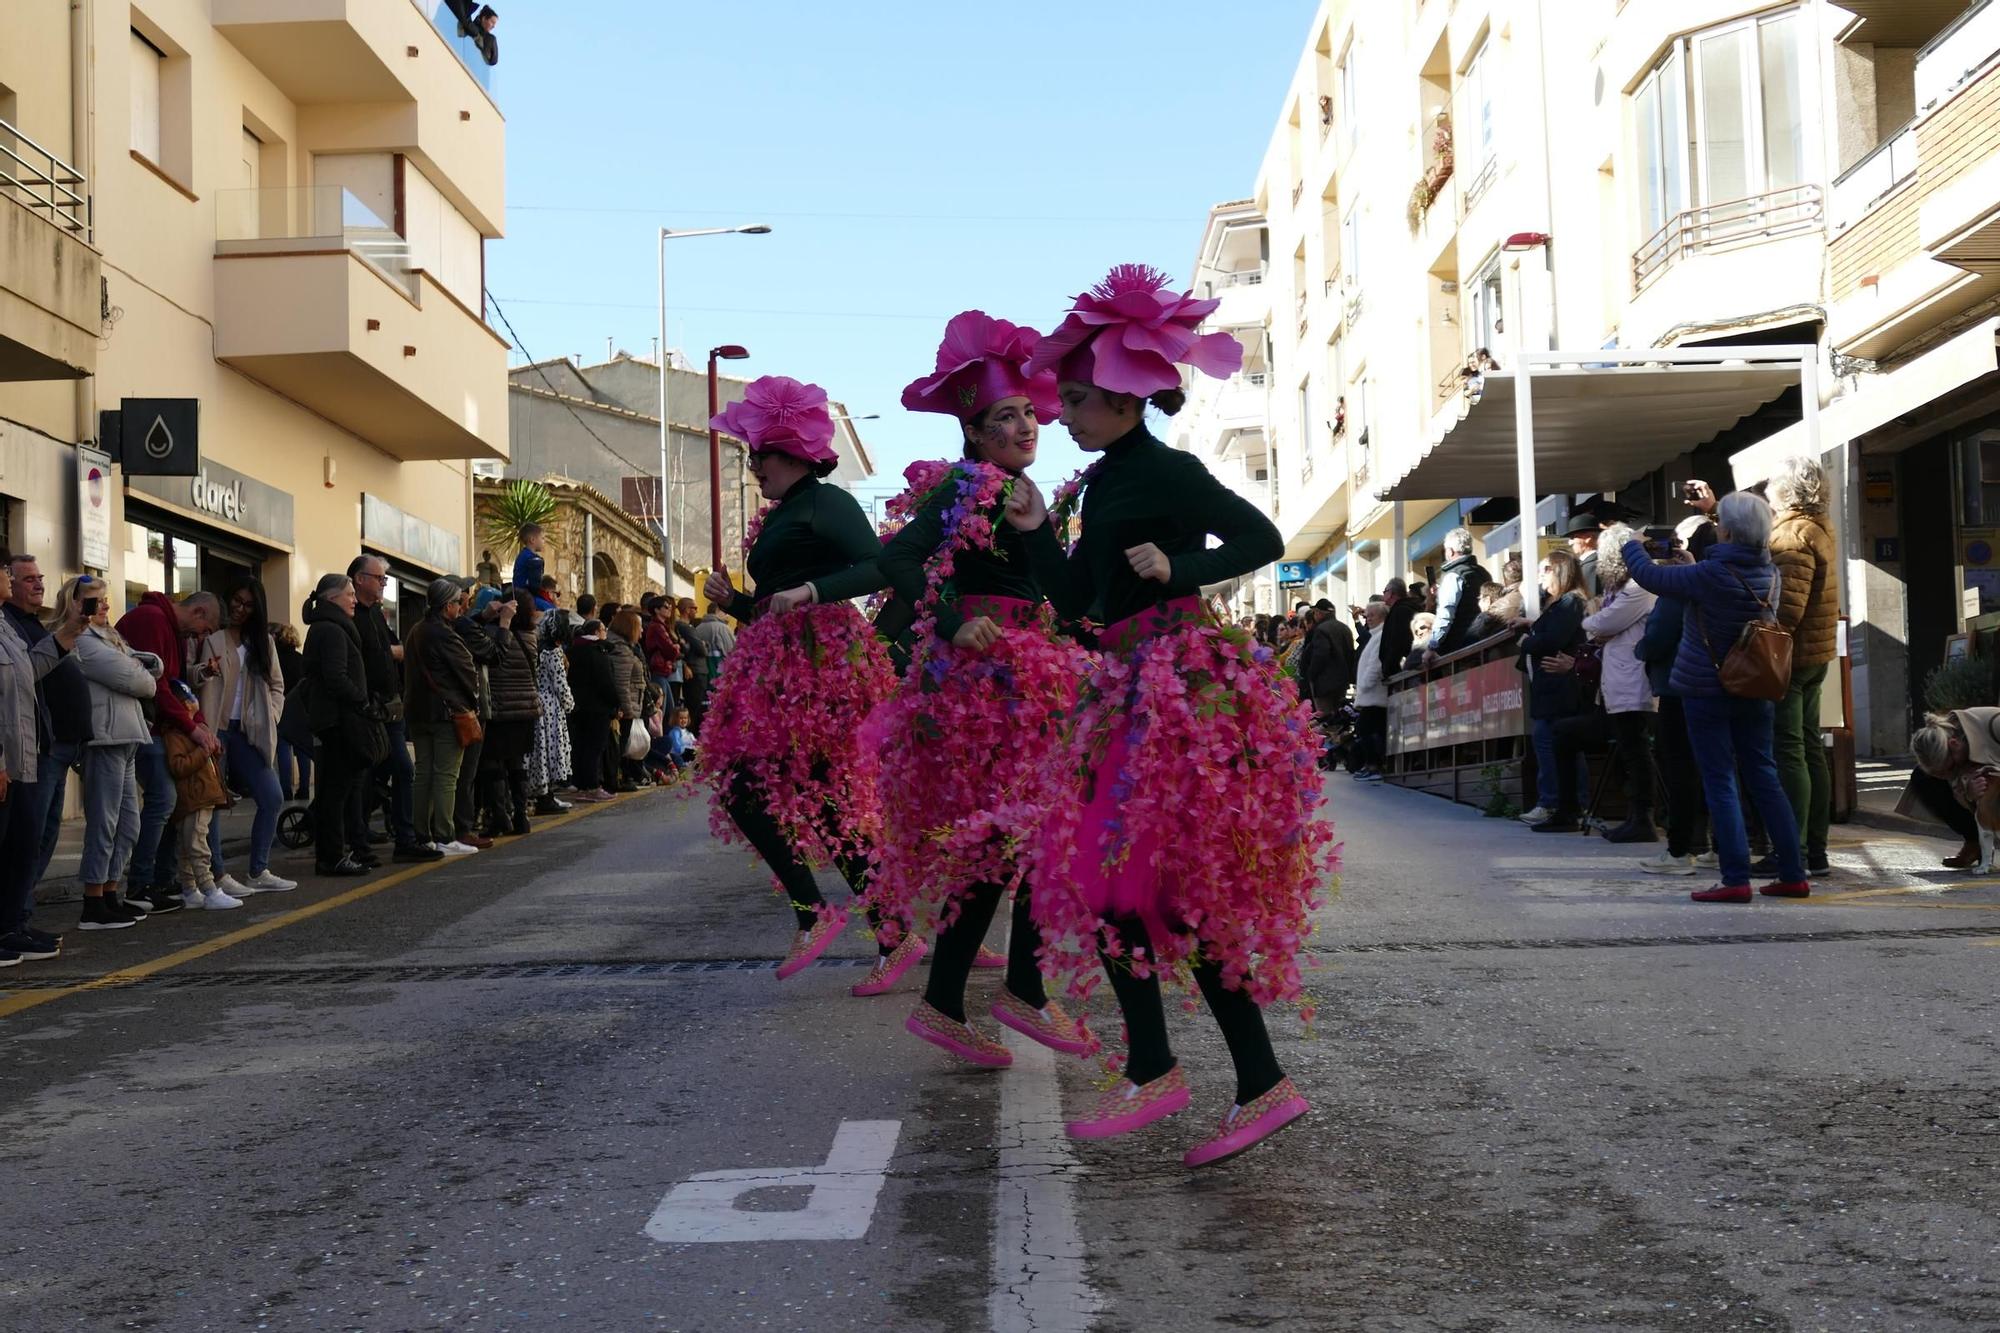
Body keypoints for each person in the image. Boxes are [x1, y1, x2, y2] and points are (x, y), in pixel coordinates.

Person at [1010, 263, 1333, 1166]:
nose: (1060, 416)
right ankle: (1174, 1069)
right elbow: (1081, 603)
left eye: (1075, 399)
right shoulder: (1105, 480)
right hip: (1121, 687)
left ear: (1123, 397)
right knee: (1114, 886)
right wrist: (1038, 530)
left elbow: (1264, 539)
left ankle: (1236, 1079)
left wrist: (1177, 569)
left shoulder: (1166, 469)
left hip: (1176, 690)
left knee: (1154, 889)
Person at [872, 308, 1090, 1061]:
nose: (1026, 425)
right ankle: (1022, 992)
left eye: (1030, 412)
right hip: (991, 684)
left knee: (1006, 840)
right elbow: (896, 561)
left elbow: (1056, 587)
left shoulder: (1020, 488)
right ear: (973, 432)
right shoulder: (970, 484)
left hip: (1029, 674)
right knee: (1035, 829)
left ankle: (944, 1001)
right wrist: (953, 616)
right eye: (1007, 416)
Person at [697, 374, 898, 979]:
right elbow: (774, 601)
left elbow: (879, 566)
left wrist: (814, 590)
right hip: (780, 666)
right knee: (815, 800)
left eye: (758, 456)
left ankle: (818, 914)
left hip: (822, 665)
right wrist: (736, 603)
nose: (753, 467)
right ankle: (890, 933)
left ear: (788, 454)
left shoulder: (826, 502)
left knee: (769, 789)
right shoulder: (786, 511)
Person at [1621, 493, 1809, 902]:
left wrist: (1631, 545)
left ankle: (1735, 878)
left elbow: (1652, 578)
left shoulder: (1709, 574)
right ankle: (1794, 872)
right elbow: (1718, 590)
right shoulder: (1770, 573)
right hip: (1756, 686)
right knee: (1764, 775)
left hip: (1707, 689)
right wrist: (1694, 569)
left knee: (1720, 779)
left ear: (1727, 529)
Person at [1532, 527, 1658, 838]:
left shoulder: (1639, 587)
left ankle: (1642, 819)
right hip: (1614, 688)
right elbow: (1598, 625)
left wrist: (1598, 622)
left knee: (1635, 751)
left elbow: (1597, 622)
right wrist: (1599, 624)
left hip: (1633, 687)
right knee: (1565, 735)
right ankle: (1567, 811)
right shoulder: (1624, 589)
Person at [0, 566, 95, 958]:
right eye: (5, 570)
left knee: (22, 845)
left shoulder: (4, 627)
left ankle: (9, 928)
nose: (8, 574)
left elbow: (30, 671)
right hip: (6, 758)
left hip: (25, 754)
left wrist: (71, 629)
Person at [116, 589, 222, 914]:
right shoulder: (153, 621)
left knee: (170, 801)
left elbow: (177, 686)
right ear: (200, 612)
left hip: (156, 725)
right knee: (164, 799)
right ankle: (141, 883)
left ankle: (160, 880)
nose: (199, 637)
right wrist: (194, 728)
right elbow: (159, 686)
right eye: (203, 630)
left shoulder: (167, 627)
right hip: (144, 726)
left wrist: (199, 723)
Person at [192, 578, 295, 897]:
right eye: (236, 601)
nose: (239, 608)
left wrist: (272, 717)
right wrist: (204, 672)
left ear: (257, 609)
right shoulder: (214, 639)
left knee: (272, 795)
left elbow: (278, 685)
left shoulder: (263, 643)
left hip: (250, 732)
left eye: (247, 604)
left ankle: (258, 870)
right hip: (215, 730)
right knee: (214, 802)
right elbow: (192, 676)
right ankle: (218, 874)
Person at [70, 577, 161, 931]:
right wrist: (141, 671)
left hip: (126, 736)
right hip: (105, 738)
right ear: (77, 605)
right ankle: (93, 901)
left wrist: (141, 670)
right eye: (95, 601)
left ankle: (110, 893)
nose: (105, 605)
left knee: (128, 823)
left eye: (105, 599)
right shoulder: (83, 641)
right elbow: (142, 680)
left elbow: (152, 668)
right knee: (105, 822)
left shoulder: (110, 638)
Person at [1765, 455, 1841, 879]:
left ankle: (1793, 849)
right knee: (1810, 748)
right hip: (1816, 653)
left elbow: (1787, 610)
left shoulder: (1792, 534)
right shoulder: (1820, 527)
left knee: (1790, 750)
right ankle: (1816, 851)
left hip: (1791, 658)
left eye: (1772, 482)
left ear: (1786, 491)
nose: (1766, 489)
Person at [1634, 532, 1715, 875]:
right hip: (1717, 686)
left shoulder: (1677, 591)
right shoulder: (1724, 579)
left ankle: (1683, 848)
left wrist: (1634, 546)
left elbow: (1658, 638)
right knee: (1716, 769)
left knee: (1681, 767)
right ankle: (1719, 845)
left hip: (1677, 685)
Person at [349, 556, 434, 863]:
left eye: (385, 579)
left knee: (393, 770)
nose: (384, 584)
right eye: (380, 578)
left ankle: (401, 837)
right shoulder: (353, 614)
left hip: (390, 708)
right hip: (370, 709)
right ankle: (373, 839)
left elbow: (390, 649)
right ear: (360, 579)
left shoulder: (375, 614)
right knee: (392, 770)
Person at [299, 574, 375, 876]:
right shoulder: (330, 630)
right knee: (335, 792)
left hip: (337, 718)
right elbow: (335, 677)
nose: (354, 600)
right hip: (338, 720)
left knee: (339, 790)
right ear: (332, 599)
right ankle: (331, 856)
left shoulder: (330, 627)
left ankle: (335, 854)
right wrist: (362, 700)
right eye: (349, 595)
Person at [1513, 548, 1591, 826]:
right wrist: (1532, 624)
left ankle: (1555, 802)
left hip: (1560, 685)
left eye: (1544, 570)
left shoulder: (1570, 602)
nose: (1540, 577)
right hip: (1554, 684)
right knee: (1553, 743)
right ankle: (1564, 803)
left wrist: (1526, 641)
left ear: (1558, 571)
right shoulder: (1564, 603)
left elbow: (1552, 639)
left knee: (1551, 742)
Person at [404, 579, 481, 855]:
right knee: (447, 775)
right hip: (446, 712)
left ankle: (422, 834)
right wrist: (472, 703)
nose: (461, 607)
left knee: (423, 774)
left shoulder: (416, 630)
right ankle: (445, 836)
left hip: (418, 713)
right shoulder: (445, 634)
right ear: (448, 605)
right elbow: (467, 671)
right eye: (458, 603)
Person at [163, 677, 237, 909]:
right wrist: (203, 752)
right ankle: (208, 889)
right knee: (196, 844)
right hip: (193, 798)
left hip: (201, 796)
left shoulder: (195, 730)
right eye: (188, 702)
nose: (193, 705)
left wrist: (214, 748)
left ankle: (189, 889)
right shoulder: (175, 735)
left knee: (187, 847)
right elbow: (179, 766)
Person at [564, 619, 621, 803]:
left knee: (580, 746)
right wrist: (616, 703)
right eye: (604, 629)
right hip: (598, 708)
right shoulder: (597, 652)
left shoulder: (572, 651)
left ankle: (580, 785)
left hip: (578, 707)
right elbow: (606, 682)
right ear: (597, 632)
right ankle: (591, 786)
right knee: (594, 748)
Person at [529, 610, 576, 813]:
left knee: (542, 752)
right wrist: (569, 703)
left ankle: (545, 795)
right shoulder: (554, 652)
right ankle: (546, 799)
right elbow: (560, 682)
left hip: (538, 702)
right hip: (551, 707)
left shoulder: (538, 648)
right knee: (551, 750)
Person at [1427, 528, 1490, 658]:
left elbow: (1446, 614)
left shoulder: (1453, 576)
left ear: (1450, 551)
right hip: (1483, 639)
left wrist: (1432, 645)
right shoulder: (1483, 572)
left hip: (1459, 647)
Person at [607, 607, 649, 790]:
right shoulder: (621, 651)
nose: (642, 631)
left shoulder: (624, 647)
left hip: (630, 703)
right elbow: (622, 684)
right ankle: (617, 779)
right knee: (620, 746)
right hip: (626, 707)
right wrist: (629, 711)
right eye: (638, 626)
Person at [1300, 596, 1356, 722]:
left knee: (1324, 717)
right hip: (1342, 682)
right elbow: (1350, 654)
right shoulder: (1345, 628)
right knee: (1338, 716)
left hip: (1324, 683)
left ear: (1319, 613)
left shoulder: (1321, 630)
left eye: (1315, 612)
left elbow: (1320, 655)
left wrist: (1311, 675)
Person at [273, 622, 311, 805]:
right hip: (301, 708)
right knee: (302, 749)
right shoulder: (301, 659)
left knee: (283, 749)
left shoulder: (276, 660)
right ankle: (304, 788)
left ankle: (286, 789)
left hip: (281, 707)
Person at [1351, 600, 1389, 781]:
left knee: (1365, 728)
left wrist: (1365, 685)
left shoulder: (1382, 635)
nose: (1368, 619)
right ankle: (1373, 765)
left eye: (1372, 615)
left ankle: (1374, 766)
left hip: (1374, 692)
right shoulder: (1376, 635)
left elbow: (1376, 664)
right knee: (1370, 729)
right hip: (1371, 693)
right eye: (1368, 615)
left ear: (1382, 617)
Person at [641, 595, 682, 719]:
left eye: (670, 606)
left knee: (669, 710)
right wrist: (676, 648)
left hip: (663, 671)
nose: (669, 609)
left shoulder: (662, 626)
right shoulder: (657, 627)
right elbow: (671, 650)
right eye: (666, 606)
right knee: (662, 712)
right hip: (658, 670)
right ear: (656, 610)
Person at [674, 598, 709, 730]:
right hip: (695, 670)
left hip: (696, 669)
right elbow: (702, 649)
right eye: (694, 608)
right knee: (695, 707)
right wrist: (703, 645)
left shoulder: (688, 628)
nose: (697, 611)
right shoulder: (685, 627)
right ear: (687, 610)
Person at [512, 523, 546, 598]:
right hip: (527, 598)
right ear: (532, 540)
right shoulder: (534, 560)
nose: (544, 541)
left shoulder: (522, 555)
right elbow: (535, 586)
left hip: (517, 595)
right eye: (542, 538)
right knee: (551, 608)